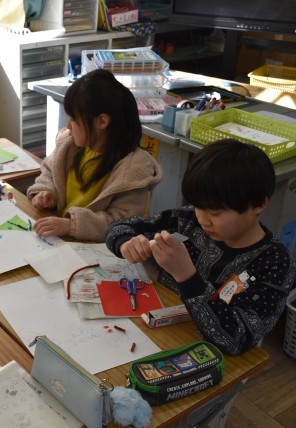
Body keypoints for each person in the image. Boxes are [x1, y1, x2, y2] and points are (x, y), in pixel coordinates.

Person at [106, 139, 296, 355]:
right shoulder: (188, 221)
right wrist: (126, 243)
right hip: (152, 328)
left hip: (205, 354)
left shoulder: (275, 264)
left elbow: (237, 338)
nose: (204, 220)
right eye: (198, 206)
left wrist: (187, 276)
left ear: (258, 204)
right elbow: (120, 226)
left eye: (215, 213)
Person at [27, 69, 163, 242]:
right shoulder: (69, 144)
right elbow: (48, 172)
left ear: (102, 121)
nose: (68, 126)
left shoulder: (134, 170)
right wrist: (46, 192)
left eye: (74, 119)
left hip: (92, 249)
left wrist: (71, 225)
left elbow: (122, 222)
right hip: (58, 239)